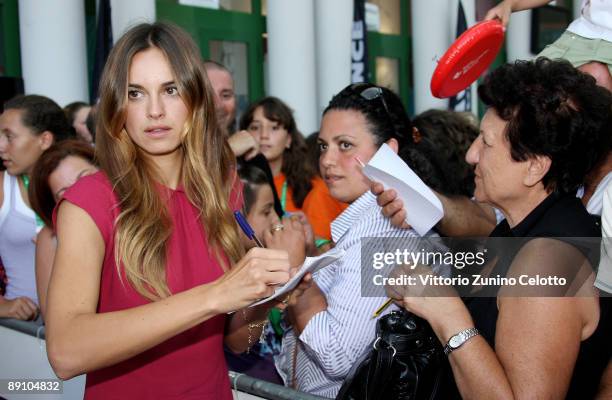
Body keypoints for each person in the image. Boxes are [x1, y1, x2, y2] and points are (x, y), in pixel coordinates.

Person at [45, 22, 309, 399]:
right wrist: (215, 295)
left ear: (195, 100)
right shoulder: (90, 202)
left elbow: (236, 343)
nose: (154, 111)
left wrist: (263, 297)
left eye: (170, 90)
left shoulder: (223, 190)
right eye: (136, 94)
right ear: (118, 107)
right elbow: (65, 352)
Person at [386, 58, 612, 399]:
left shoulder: (548, 261)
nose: (472, 155)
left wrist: (445, 311)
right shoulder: (525, 229)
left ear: (534, 167)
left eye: (487, 143)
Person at [276, 83, 439, 398]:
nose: (327, 160)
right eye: (323, 146)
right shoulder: (368, 221)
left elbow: (338, 355)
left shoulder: (383, 231)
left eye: (345, 145)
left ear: (387, 153)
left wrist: (295, 268)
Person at [0, 94, 73, 320]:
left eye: (9, 136)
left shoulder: (78, 181)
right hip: (22, 329)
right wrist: (3, 307)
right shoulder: (3, 187)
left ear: (45, 140)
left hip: (78, 327)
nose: (1, 146)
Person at [241, 97, 347, 246]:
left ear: (289, 139)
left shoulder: (313, 187)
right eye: (255, 127)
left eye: (274, 127)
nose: (264, 135)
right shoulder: (232, 183)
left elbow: (323, 250)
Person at [28, 140, 98, 319]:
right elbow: (54, 321)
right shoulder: (52, 238)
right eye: (66, 193)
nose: (81, 191)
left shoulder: (138, 214)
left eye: (85, 178)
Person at [204, 60, 283, 217]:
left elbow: (274, 219)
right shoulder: (174, 154)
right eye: (208, 94)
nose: (218, 105)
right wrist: (228, 151)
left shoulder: (252, 158)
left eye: (226, 95)